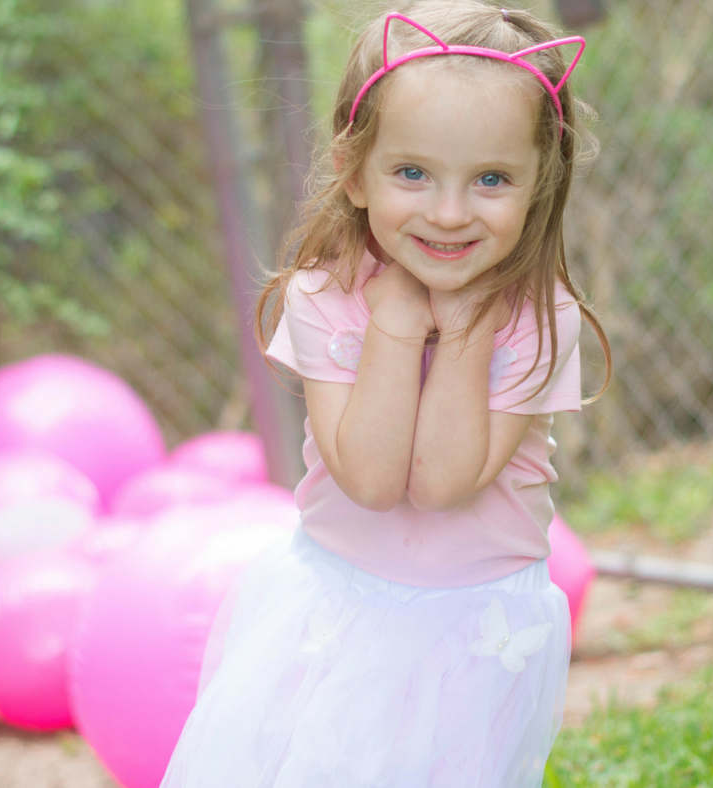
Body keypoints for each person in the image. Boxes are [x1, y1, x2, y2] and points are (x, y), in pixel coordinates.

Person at [161, 1, 611, 786]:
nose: (448, 212)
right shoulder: (325, 297)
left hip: (476, 627)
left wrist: (466, 327)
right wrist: (397, 325)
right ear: (353, 171)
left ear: (541, 183)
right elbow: (368, 482)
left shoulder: (538, 319)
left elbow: (441, 484)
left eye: (491, 180)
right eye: (412, 173)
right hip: (338, 610)